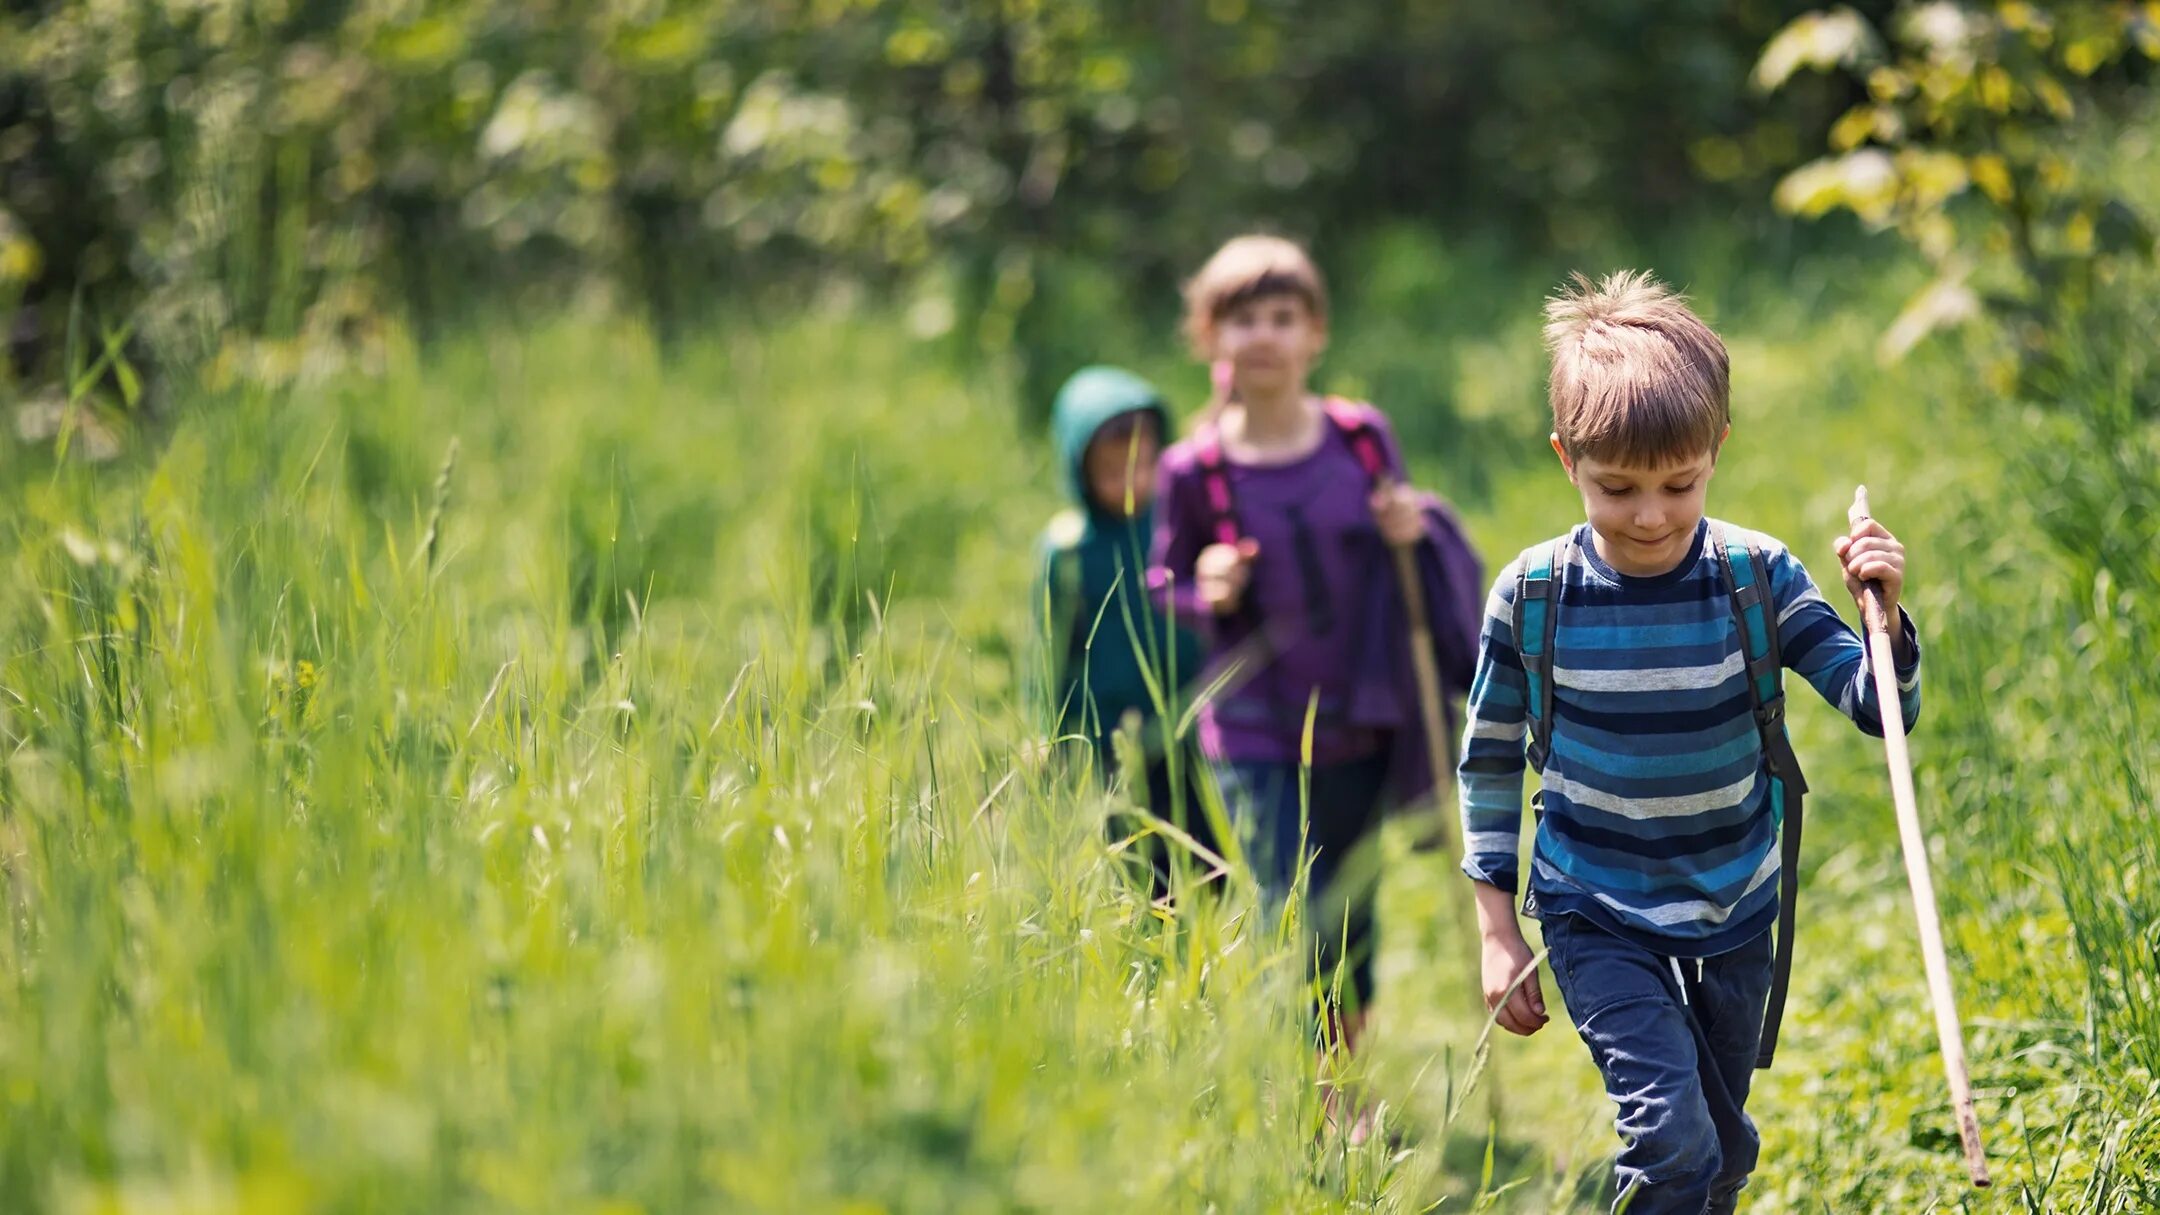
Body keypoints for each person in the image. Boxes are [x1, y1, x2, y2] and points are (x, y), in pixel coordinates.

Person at [1458, 270, 1921, 1213]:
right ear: (1566, 460)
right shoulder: (1535, 596)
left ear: (1717, 448)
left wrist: (1887, 616)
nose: (1651, 515)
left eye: (1680, 482)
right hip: (1596, 902)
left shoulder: (1755, 576)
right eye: (1616, 487)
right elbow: (1491, 755)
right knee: (1671, 1138)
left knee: (1722, 1148)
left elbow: (1879, 707)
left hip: (1736, 900)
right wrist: (1498, 929)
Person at [1147, 234, 1482, 1138]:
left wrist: (1410, 527)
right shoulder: (1194, 470)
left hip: (1363, 714)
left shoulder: (1359, 436)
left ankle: (1344, 1072)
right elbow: (1163, 581)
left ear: (1314, 332)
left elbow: (1408, 551)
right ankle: (1311, 1097)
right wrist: (1204, 583)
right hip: (1254, 724)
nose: (1263, 335)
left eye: (1282, 316)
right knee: (1286, 903)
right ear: (1209, 335)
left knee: (1352, 910)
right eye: (1242, 317)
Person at [1031, 365, 1215, 896]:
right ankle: (1154, 960)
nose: (1130, 482)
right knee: (1135, 867)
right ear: (1079, 472)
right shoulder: (1068, 551)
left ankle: (1211, 958)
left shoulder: (1180, 524)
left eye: (1143, 465)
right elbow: (1048, 653)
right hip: (1110, 738)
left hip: (1193, 722)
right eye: (1110, 472)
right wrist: (1051, 734)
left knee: (1210, 857)